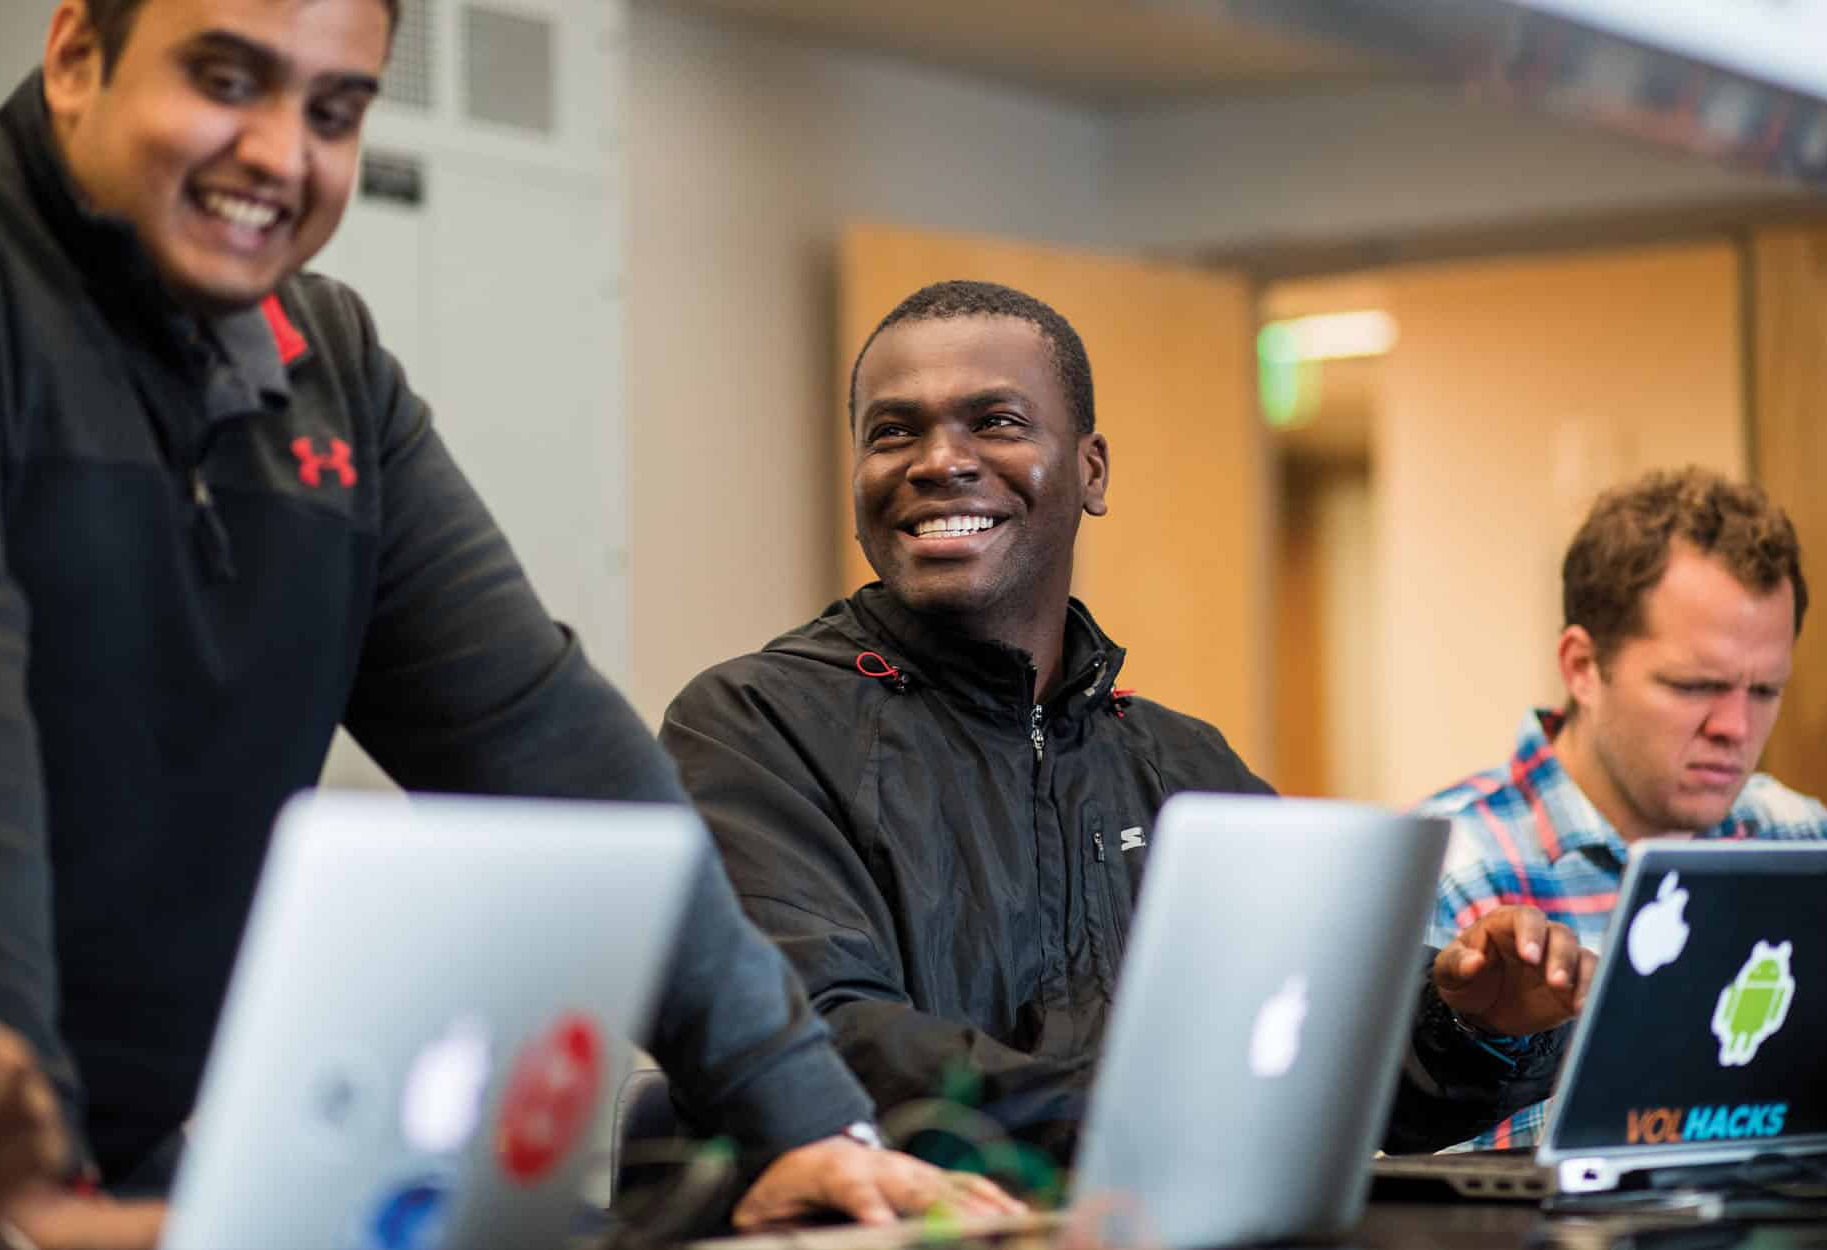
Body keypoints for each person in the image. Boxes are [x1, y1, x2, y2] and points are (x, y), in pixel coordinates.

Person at [0, 1, 1018, 1242]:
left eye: (333, 111)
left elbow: (548, 748)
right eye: (225, 80)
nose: (278, 154)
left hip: (112, 1158)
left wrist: (805, 1118)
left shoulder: (328, 364)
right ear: (75, 58)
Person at [661, 280, 1597, 1171]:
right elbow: (819, 1036)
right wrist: (1170, 1117)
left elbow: (1323, 1043)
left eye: (996, 422)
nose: (939, 460)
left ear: (1091, 470)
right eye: (892, 431)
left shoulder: (1184, 763)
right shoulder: (752, 726)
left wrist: (1472, 1020)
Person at [1417, 465, 1827, 1148]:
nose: (1736, 728)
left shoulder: (1812, 842)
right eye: (1695, 686)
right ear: (1583, 668)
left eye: (1765, 691)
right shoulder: (1444, 870)